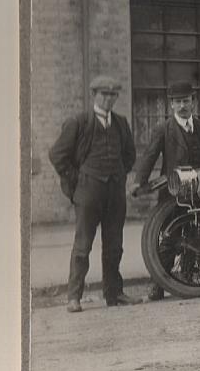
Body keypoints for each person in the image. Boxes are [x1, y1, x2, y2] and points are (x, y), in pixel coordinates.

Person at [48, 75, 137, 312]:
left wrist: (118, 174)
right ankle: (74, 297)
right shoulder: (79, 122)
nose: (108, 99)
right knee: (82, 245)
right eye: (104, 95)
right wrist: (77, 179)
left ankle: (114, 294)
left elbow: (129, 155)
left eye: (112, 95)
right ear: (94, 95)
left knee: (114, 245)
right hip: (88, 193)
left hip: (115, 192)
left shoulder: (120, 122)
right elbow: (57, 155)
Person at [133, 81, 200, 300]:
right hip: (173, 193)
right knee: (169, 238)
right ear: (171, 105)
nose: (183, 106)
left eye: (186, 101)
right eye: (178, 102)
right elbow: (150, 155)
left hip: (198, 192)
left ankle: (188, 279)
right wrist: (139, 181)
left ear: (193, 102)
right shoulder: (163, 129)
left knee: (195, 234)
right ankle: (158, 284)